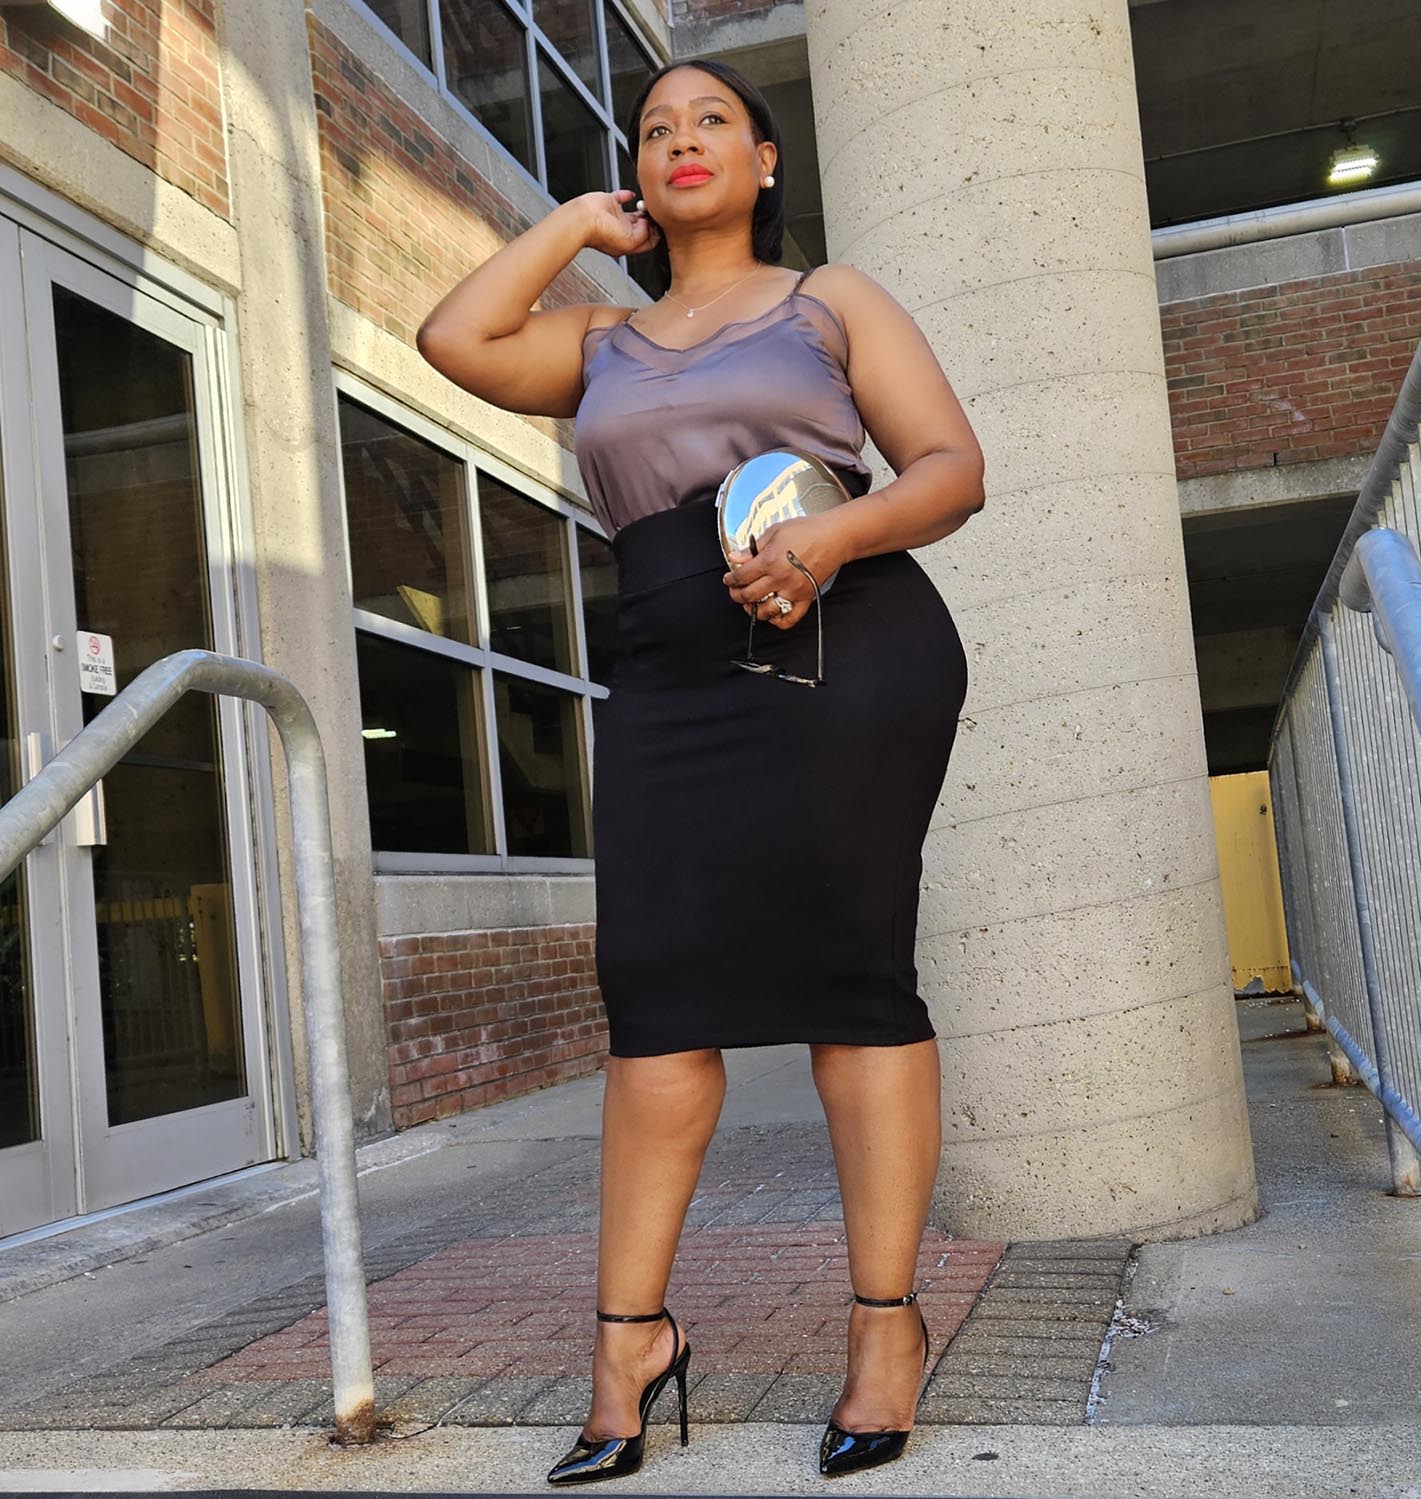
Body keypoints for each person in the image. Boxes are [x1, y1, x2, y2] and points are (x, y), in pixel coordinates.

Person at [416, 56, 984, 1484]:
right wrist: (572, 225)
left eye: (712, 121)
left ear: (766, 159)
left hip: (846, 645)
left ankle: (885, 1330)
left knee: (853, 979)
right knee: (656, 994)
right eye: (655, 129)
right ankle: (631, 1343)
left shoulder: (829, 302)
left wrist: (829, 538)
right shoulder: (601, 341)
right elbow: (453, 338)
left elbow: (948, 468)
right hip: (670, 672)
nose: (681, 141)